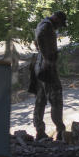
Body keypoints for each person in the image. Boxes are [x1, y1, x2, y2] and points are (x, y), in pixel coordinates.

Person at [30, 10, 66, 141]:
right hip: (46, 67)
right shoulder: (47, 26)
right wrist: (47, 59)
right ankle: (61, 132)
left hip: (39, 66)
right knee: (56, 98)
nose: (59, 27)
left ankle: (39, 131)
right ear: (56, 19)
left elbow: (37, 41)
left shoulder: (42, 23)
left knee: (41, 99)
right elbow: (39, 38)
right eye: (60, 24)